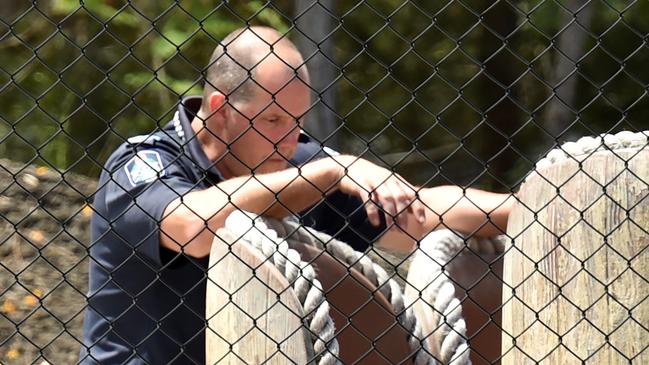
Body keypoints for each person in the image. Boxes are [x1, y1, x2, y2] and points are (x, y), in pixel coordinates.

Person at [79, 26, 513, 364]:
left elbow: (415, 212)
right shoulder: (142, 163)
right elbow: (193, 227)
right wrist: (331, 171)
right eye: (272, 121)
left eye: (297, 120)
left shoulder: (299, 163)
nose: (289, 140)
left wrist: (532, 206)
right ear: (220, 109)